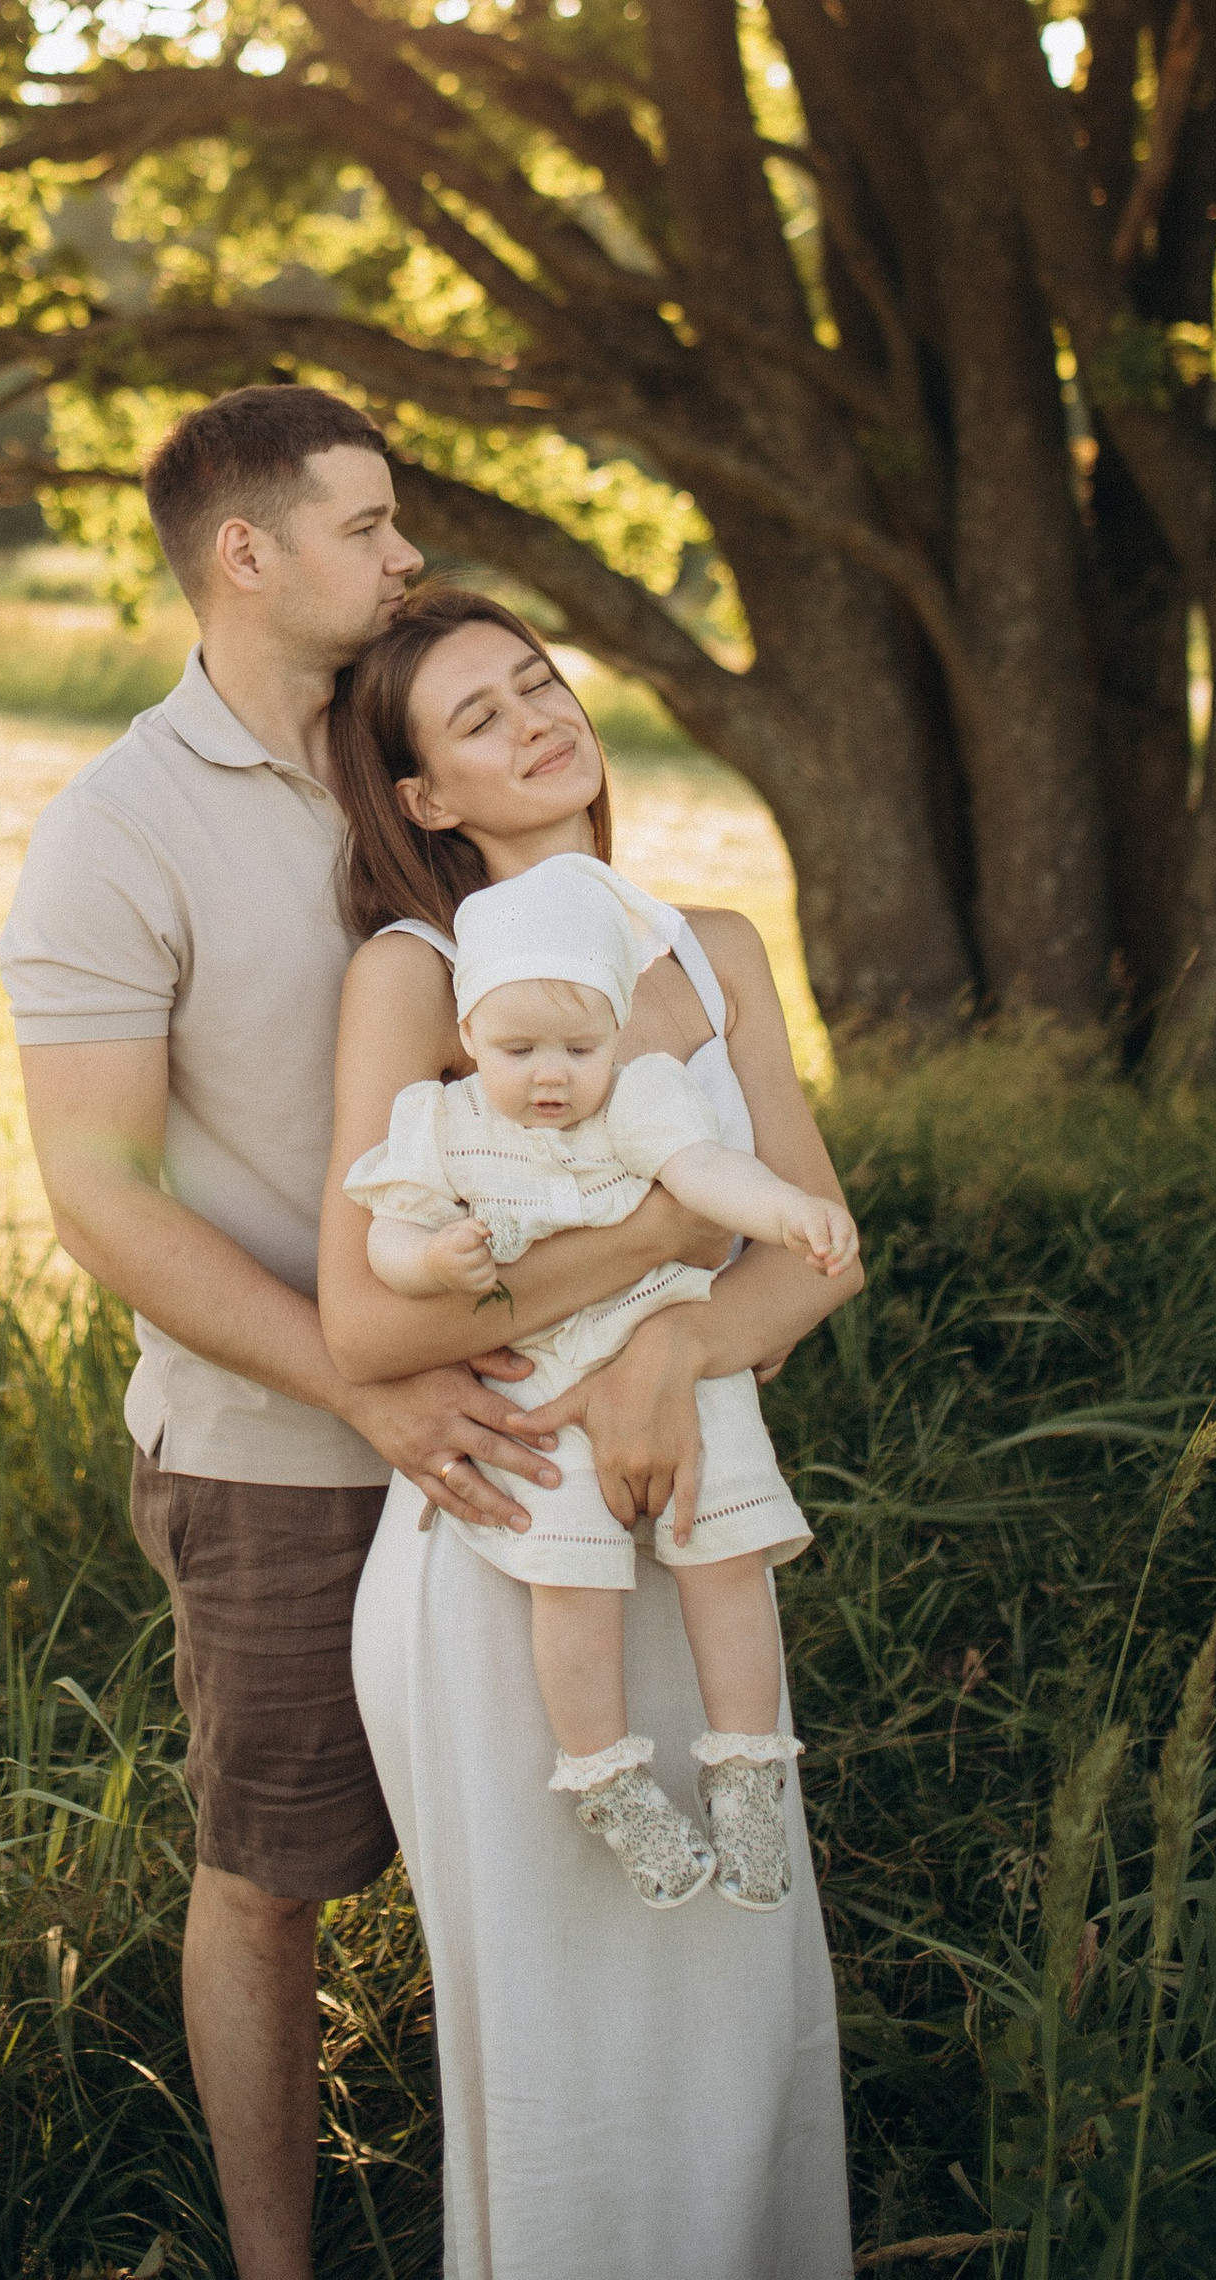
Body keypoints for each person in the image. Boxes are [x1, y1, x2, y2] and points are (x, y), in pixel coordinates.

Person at [0, 392, 744, 2280]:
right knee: (277, 1877)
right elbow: (100, 1198)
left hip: (561, 1407)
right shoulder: (117, 833)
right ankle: (279, 2263)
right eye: (368, 525)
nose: (408, 555)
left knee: (568, 1854)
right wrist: (370, 1384)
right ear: (248, 555)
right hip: (281, 1449)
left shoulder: (421, 747)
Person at [323, 586, 858, 2280]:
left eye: (540, 682)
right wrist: (650, 1248)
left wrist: (681, 1343)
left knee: (732, 2015)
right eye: (478, 716)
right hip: (509, 1527)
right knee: (568, 2041)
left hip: (691, 1509)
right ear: (426, 798)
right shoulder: (417, 976)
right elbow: (371, 1323)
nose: (538, 718)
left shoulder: (717, 948)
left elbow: (822, 1249)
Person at [347, 853, 859, 1914]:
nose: (551, 1075)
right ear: (468, 1036)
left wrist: (786, 1213)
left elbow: (707, 1175)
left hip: (666, 1345)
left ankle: (747, 1767)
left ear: (616, 1037)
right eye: (519, 1050)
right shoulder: (445, 1125)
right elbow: (386, 1239)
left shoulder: (636, 1099)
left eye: (579, 1050)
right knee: (571, 1582)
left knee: (725, 1554)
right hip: (541, 1382)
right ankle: (606, 1777)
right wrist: (432, 1262)